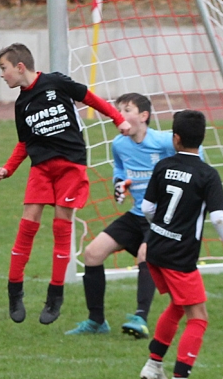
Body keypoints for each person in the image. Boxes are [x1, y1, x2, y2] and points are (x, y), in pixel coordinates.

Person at [0, 43, 131, 324]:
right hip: (41, 168)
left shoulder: (55, 82)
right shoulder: (21, 103)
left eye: (4, 68)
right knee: (28, 223)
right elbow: (24, 142)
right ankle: (14, 291)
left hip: (71, 165)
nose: (2, 75)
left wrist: (118, 119)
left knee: (61, 225)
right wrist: (8, 169)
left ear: (20, 67)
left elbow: (90, 98)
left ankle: (55, 295)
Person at [137, 109, 223, 379]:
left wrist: (161, 228)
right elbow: (218, 218)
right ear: (202, 139)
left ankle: (153, 366)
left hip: (155, 248)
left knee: (178, 304)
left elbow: (147, 208)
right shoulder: (208, 174)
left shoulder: (163, 166)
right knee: (199, 316)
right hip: (180, 256)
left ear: (176, 138)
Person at [66, 93, 176, 337]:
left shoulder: (163, 141)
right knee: (92, 253)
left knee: (144, 255)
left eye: (127, 110)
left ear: (144, 116)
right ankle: (96, 321)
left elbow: (194, 155)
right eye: (118, 111)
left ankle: (140, 318)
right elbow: (119, 168)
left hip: (162, 218)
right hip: (137, 215)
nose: (120, 116)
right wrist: (119, 183)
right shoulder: (119, 144)